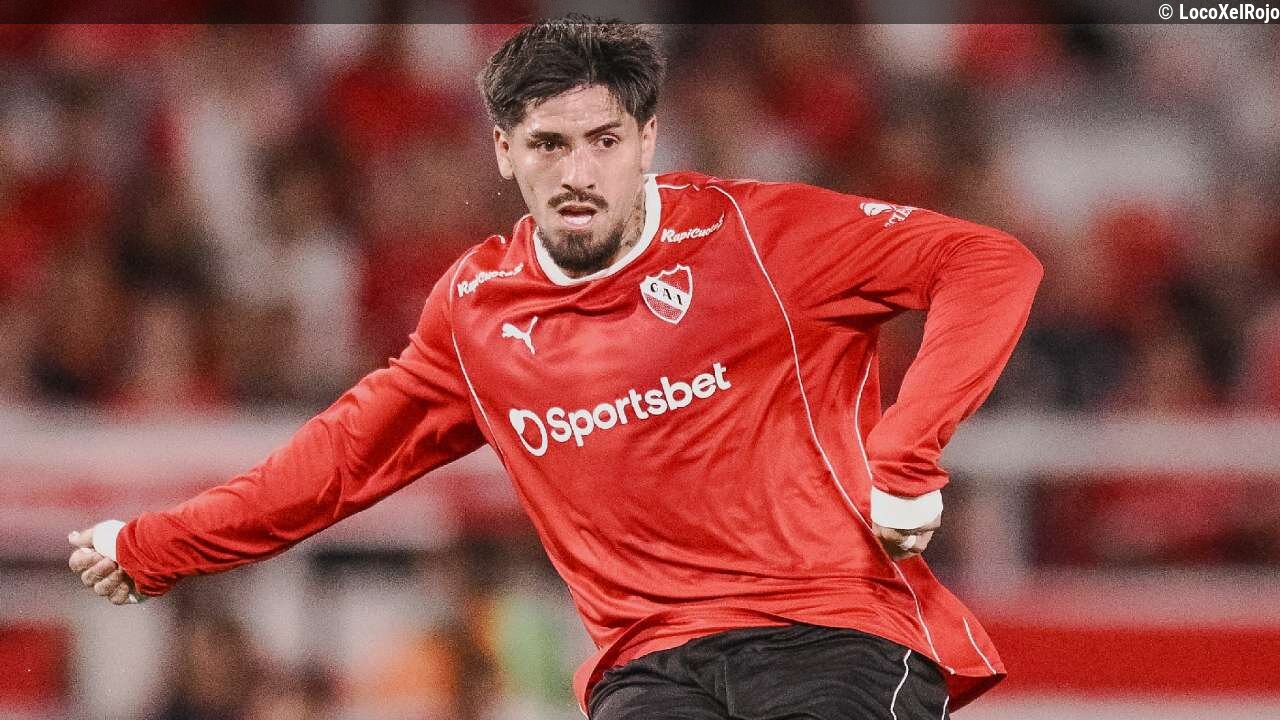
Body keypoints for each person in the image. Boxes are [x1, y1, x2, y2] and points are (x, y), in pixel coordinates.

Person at [69, 18, 1042, 720]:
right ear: (504, 152)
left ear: (646, 140)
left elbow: (987, 263)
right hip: (647, 672)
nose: (577, 173)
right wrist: (160, 545)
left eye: (602, 141)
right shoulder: (477, 312)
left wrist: (906, 455)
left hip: (830, 633)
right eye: (547, 144)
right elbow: (338, 460)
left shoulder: (762, 234)